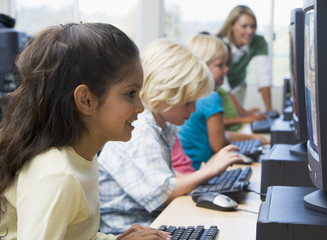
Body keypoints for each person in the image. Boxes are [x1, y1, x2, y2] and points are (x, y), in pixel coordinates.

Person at [0, 22, 171, 240]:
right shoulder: (57, 174)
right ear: (86, 100)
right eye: (130, 93)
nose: (140, 107)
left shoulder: (81, 157)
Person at [98, 39, 243, 234]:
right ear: (164, 93)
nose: (193, 109)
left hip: (151, 223)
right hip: (127, 232)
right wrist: (208, 171)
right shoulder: (140, 132)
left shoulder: (160, 126)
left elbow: (165, 177)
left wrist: (197, 179)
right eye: (188, 102)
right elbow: (162, 193)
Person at [178, 34, 269, 170]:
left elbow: (219, 134)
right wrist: (249, 142)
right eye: (220, 65)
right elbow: (218, 144)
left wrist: (251, 138)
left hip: (191, 169)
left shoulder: (193, 95)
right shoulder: (211, 97)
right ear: (202, 67)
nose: (227, 69)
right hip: (198, 169)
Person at [217, 5, 277, 113]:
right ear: (231, 26)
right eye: (244, 26)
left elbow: (263, 76)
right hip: (218, 87)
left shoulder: (259, 42)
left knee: (237, 122)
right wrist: (244, 114)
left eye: (253, 26)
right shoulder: (219, 44)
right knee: (227, 118)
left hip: (238, 86)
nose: (250, 31)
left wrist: (269, 110)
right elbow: (223, 84)